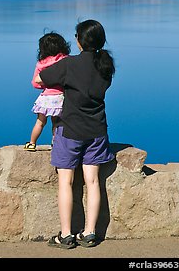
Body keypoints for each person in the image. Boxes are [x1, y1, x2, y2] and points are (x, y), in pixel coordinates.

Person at [34, 19, 115, 249]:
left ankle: (66, 235)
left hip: (69, 130)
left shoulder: (70, 65)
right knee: (93, 182)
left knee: (65, 182)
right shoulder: (105, 66)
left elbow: (41, 78)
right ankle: (89, 233)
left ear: (79, 41)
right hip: (97, 131)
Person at [24, 32, 71, 151]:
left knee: (40, 122)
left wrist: (45, 85)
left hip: (45, 98)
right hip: (60, 97)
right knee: (56, 123)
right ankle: (56, 144)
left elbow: (35, 83)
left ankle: (32, 143)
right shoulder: (65, 60)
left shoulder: (41, 64)